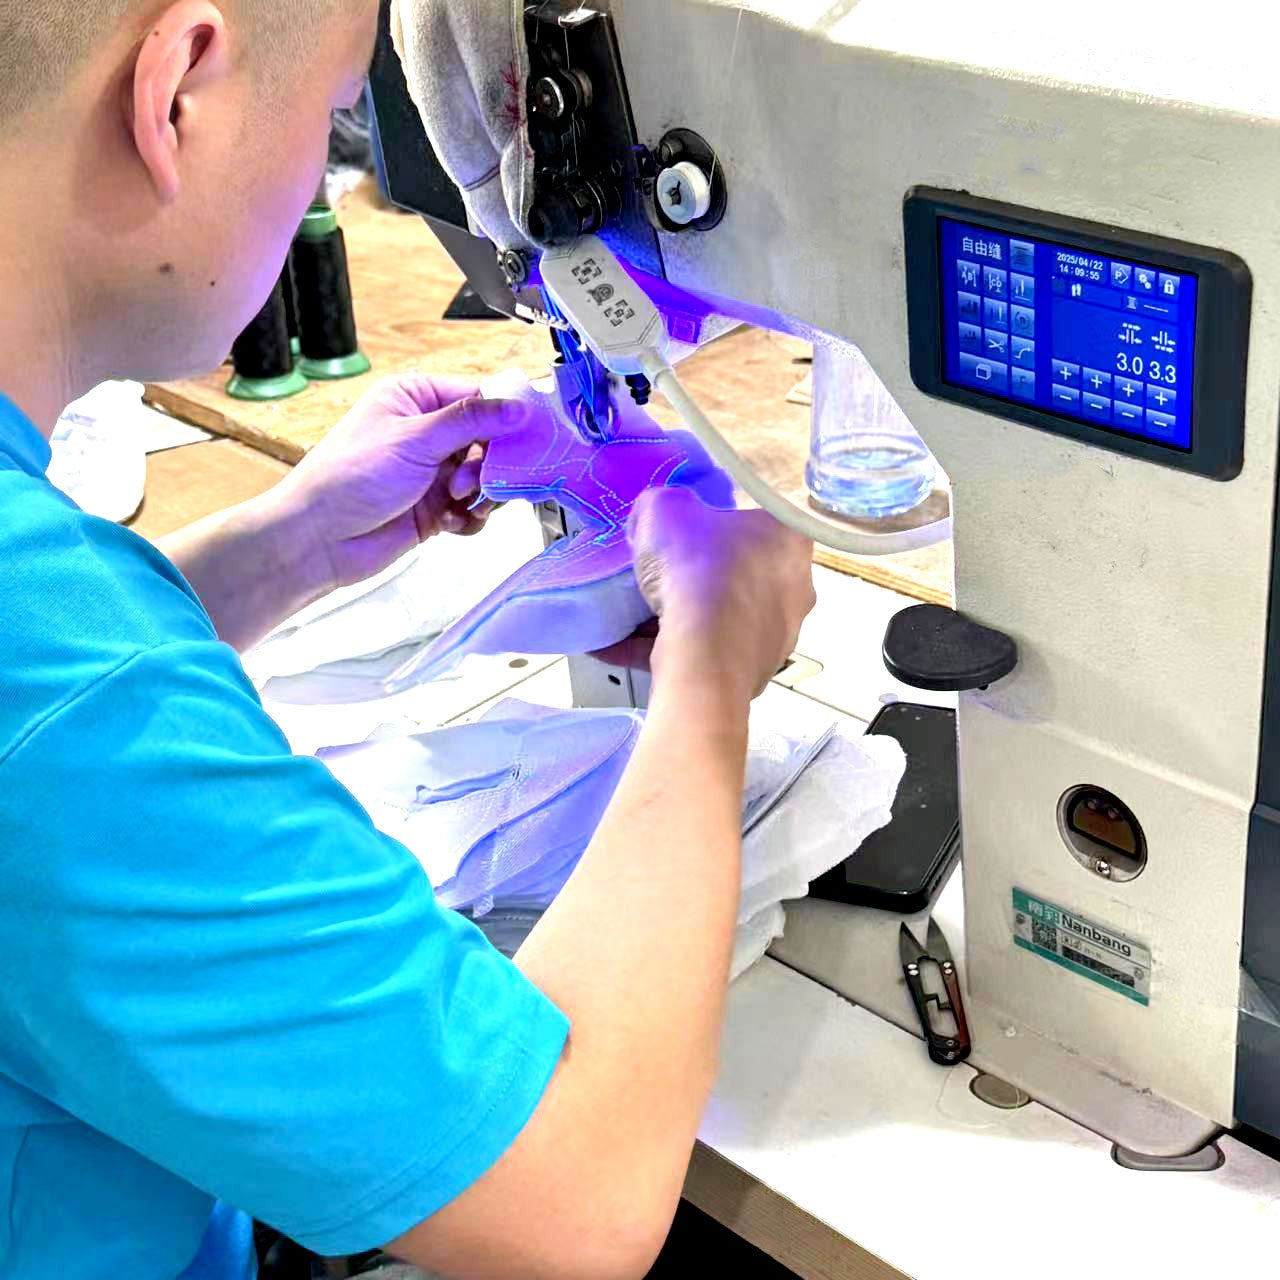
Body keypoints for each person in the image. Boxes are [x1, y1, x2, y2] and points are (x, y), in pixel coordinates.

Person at [0, 2, 816, 1278]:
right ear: (178, 93)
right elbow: (576, 1202)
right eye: (334, 112)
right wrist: (714, 665)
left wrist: (292, 542)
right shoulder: (68, 694)